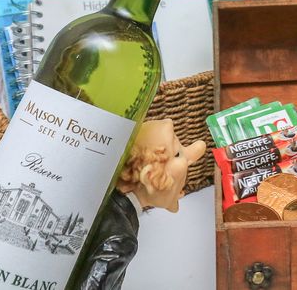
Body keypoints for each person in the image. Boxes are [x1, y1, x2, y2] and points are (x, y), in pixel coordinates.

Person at [71, 119, 207, 290]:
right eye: (178, 154)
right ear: (150, 177)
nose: (192, 156)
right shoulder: (121, 241)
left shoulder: (102, 200)